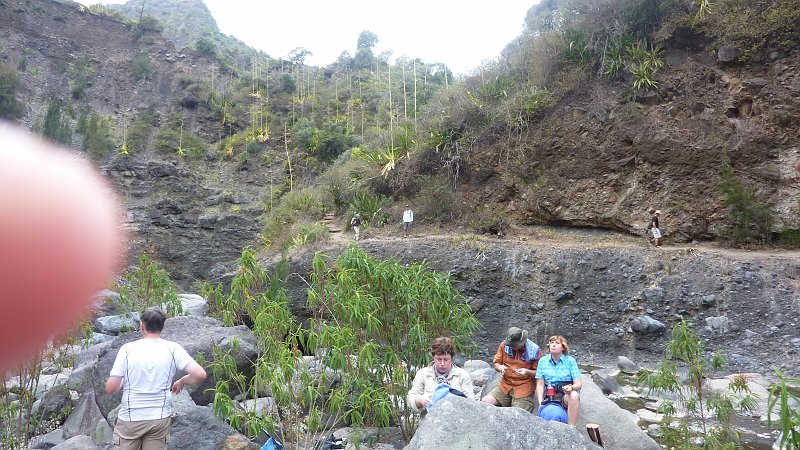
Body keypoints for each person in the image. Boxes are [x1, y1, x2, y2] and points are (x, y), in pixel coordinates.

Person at [106, 307, 207, 449]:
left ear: (142, 325)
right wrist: (182, 380)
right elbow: (200, 374)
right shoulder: (173, 348)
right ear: (162, 326)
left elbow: (111, 388)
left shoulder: (127, 349)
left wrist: (123, 382)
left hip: (131, 418)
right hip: (159, 418)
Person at [407, 337, 477, 411]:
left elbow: (471, 403)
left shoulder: (462, 375)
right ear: (433, 357)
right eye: (439, 359)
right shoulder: (422, 373)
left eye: (446, 360)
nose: (442, 364)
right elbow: (410, 400)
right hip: (429, 420)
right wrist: (420, 400)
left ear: (451, 358)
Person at [481, 327, 541, 412]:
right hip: (505, 385)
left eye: (514, 345)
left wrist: (527, 372)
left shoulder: (534, 350)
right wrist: (499, 367)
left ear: (521, 342)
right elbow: (496, 363)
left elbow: (539, 373)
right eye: (510, 345)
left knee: (517, 413)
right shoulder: (504, 346)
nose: (512, 347)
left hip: (524, 387)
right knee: (485, 402)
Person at [535, 335, 582, 427]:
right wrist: (540, 402)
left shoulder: (570, 361)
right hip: (550, 394)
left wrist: (571, 387)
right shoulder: (543, 361)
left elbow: (578, 384)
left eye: (557, 343)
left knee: (574, 395)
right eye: (551, 343)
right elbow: (540, 384)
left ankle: (571, 428)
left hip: (565, 393)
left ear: (563, 347)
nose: (553, 345)